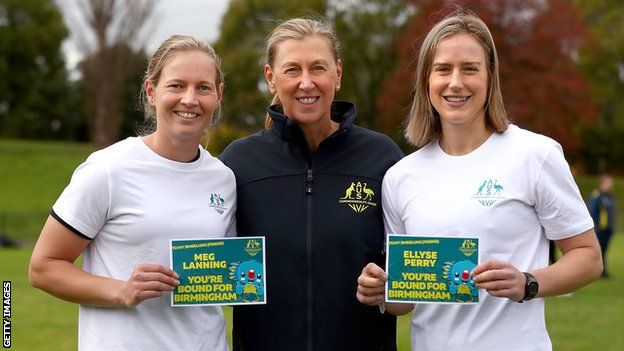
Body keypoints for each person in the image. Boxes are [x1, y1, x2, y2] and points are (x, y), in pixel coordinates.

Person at [356, 10, 603, 351]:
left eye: (470, 69)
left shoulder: (535, 154)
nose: (455, 82)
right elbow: (405, 301)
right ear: (427, 80)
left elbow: (588, 256)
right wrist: (382, 291)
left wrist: (528, 283)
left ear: (489, 78)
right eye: (443, 69)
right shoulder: (401, 177)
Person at [29, 35, 236, 351]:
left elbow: (230, 273)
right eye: (176, 85)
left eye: (203, 87)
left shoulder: (223, 179)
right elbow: (43, 267)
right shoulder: (109, 169)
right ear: (152, 91)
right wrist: (121, 290)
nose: (190, 99)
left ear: (218, 95)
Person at [220, 17, 402, 351]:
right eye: (292, 70)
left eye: (318, 68)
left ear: (338, 73)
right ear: (271, 78)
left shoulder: (382, 157)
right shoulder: (238, 162)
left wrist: (385, 286)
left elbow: (408, 265)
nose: (307, 83)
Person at [588, 174, 616, 278]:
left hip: (608, 229)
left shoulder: (610, 196)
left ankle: (602, 271)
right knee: (599, 251)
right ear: (602, 184)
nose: (610, 185)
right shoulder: (597, 195)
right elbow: (592, 211)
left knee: (604, 250)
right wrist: (596, 227)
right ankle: (597, 272)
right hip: (600, 229)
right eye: (608, 183)